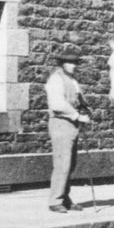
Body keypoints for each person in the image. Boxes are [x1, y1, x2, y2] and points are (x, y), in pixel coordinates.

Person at [45, 48, 91, 213]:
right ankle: (55, 200)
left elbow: (78, 99)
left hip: (72, 125)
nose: (73, 66)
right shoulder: (56, 80)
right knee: (62, 163)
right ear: (62, 63)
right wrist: (77, 115)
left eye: (75, 62)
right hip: (61, 124)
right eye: (70, 62)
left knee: (70, 164)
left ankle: (65, 197)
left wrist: (85, 110)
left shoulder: (72, 80)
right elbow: (58, 104)